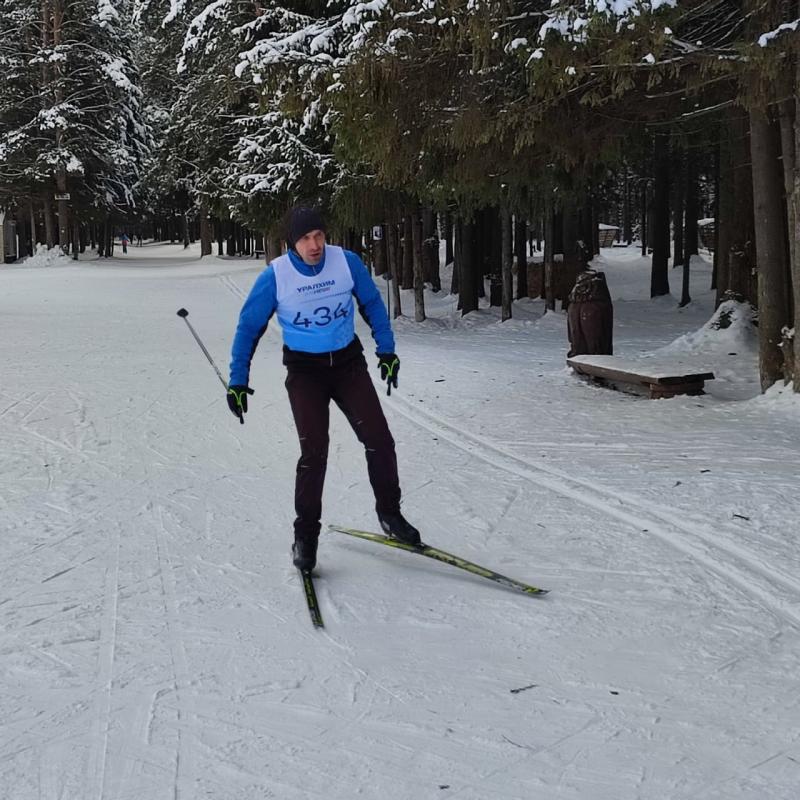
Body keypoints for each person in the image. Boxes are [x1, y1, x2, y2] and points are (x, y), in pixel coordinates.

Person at [227, 206, 420, 571]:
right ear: (292, 243)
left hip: (347, 363)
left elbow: (373, 304)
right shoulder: (276, 276)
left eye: (319, 236)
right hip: (305, 371)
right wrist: (238, 380)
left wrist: (387, 349)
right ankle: (305, 537)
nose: (314, 245)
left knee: (380, 439)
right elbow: (248, 328)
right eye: (305, 238)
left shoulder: (346, 262)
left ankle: (390, 515)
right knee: (314, 454)